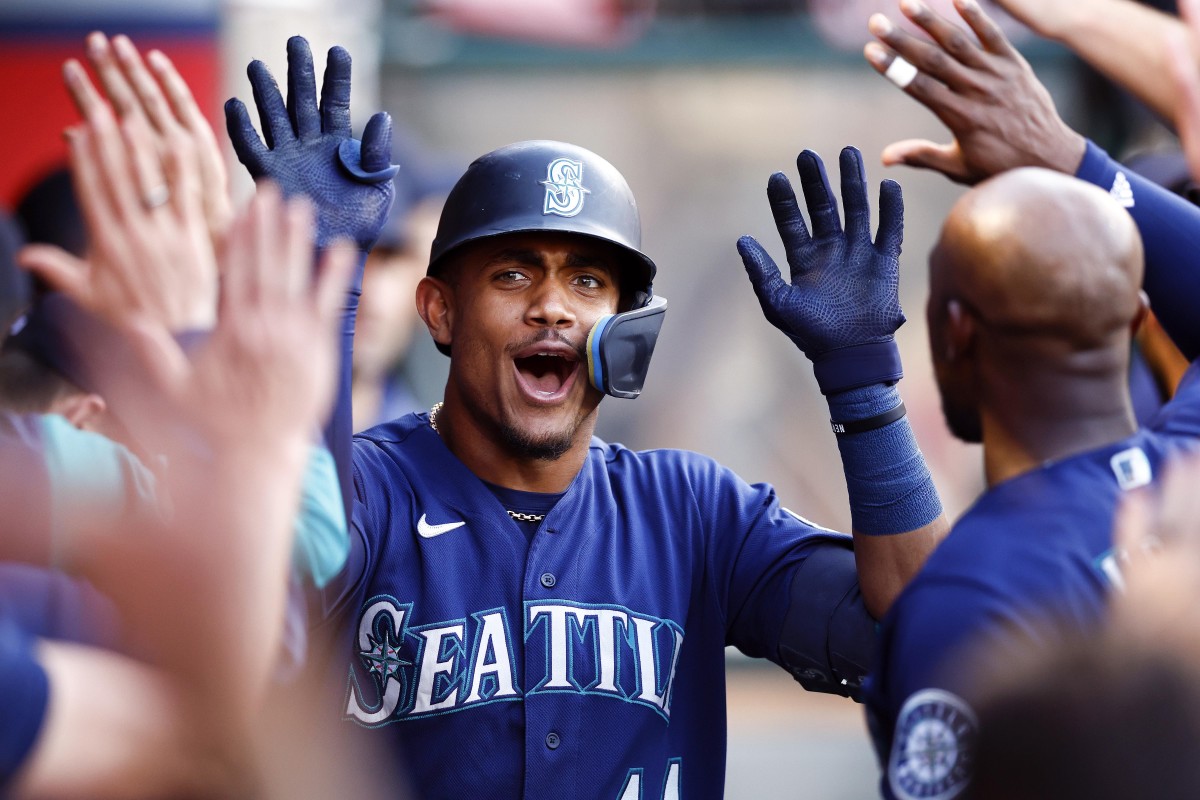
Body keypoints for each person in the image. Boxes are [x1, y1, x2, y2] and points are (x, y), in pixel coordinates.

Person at [224, 36, 949, 798]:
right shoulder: (372, 489)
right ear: (440, 311)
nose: (552, 306)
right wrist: (318, 293)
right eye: (512, 273)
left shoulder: (693, 512)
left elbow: (926, 637)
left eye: (588, 280)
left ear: (628, 326)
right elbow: (279, 577)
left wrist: (865, 389)